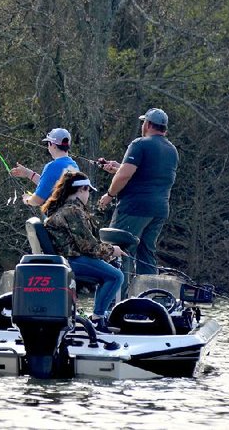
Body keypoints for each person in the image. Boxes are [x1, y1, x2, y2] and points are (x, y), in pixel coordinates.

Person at [98, 108, 178, 296]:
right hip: (159, 210)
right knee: (146, 254)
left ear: (148, 124)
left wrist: (109, 194)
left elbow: (125, 175)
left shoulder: (140, 144)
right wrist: (118, 168)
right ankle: (148, 300)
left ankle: (114, 303)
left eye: (144, 122)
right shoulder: (172, 150)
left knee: (119, 251)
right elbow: (147, 175)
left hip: (133, 208)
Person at [42, 171, 126, 326]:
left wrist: (107, 253)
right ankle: (98, 320)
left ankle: (98, 316)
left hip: (68, 259)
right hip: (72, 260)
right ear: (81, 189)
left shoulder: (63, 207)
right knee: (116, 276)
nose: (89, 195)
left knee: (108, 274)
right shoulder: (73, 211)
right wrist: (112, 250)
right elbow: (87, 245)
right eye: (88, 191)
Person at [10, 128, 78, 207]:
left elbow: (38, 200)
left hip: (58, 217)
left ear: (53, 145)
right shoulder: (73, 165)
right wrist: (28, 173)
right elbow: (48, 184)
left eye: (48, 143)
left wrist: (28, 199)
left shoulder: (52, 167)